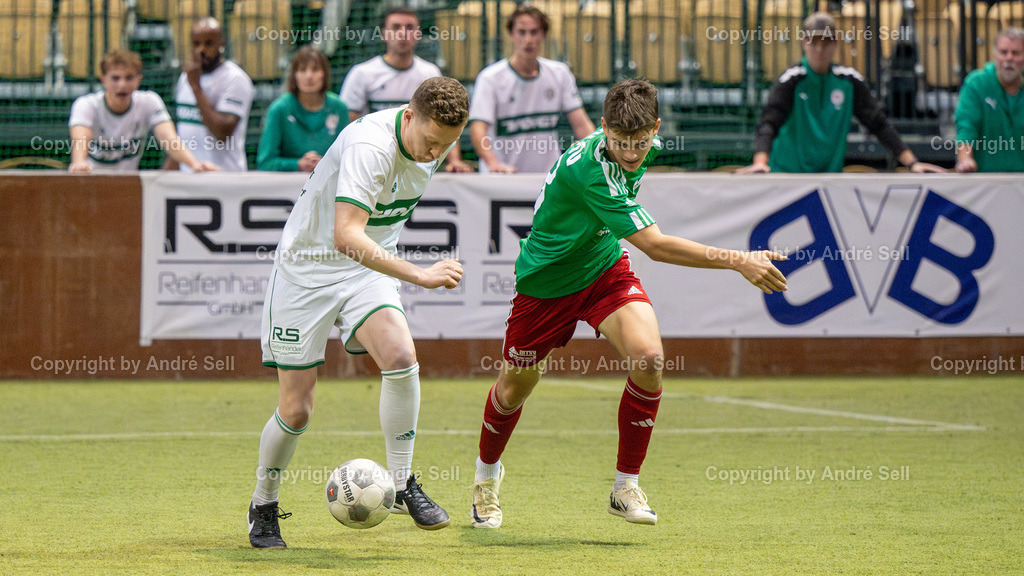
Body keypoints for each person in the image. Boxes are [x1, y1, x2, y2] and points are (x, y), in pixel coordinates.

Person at [468, 79, 789, 529]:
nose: (633, 153)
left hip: (602, 267)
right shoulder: (591, 171)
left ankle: (624, 487)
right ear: (602, 128)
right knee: (512, 389)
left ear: (656, 129)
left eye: (641, 142)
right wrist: (738, 260)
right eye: (621, 143)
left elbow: (637, 228)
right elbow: (656, 247)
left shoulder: (643, 144)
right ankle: (485, 481)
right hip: (545, 282)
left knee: (650, 357)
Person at [248, 76, 470, 548]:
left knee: (400, 356)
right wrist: (421, 275)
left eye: (447, 146)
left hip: (363, 272)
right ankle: (263, 504)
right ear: (408, 117)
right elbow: (346, 236)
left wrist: (436, 148)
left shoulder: (432, 145)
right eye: (430, 142)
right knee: (297, 408)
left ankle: (403, 483)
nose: (435, 154)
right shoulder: (372, 144)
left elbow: (365, 242)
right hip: (305, 273)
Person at [737, 12, 944, 174]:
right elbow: (768, 122)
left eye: (826, 42)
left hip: (829, 178)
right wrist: (760, 162)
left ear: (835, 44)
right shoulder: (791, 80)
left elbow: (878, 123)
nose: (819, 49)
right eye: (813, 42)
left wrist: (912, 162)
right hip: (787, 176)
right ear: (803, 43)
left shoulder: (848, 81)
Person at [340, 6, 472, 172]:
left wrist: (455, 161)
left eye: (409, 27)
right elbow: (349, 124)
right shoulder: (362, 73)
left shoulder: (430, 73)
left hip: (418, 167)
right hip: (374, 163)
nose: (403, 33)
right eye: (396, 27)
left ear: (418, 34)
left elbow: (446, 121)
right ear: (384, 33)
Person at [468, 4, 595, 173]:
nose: (528, 39)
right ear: (511, 35)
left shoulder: (560, 73)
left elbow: (582, 125)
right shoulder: (490, 78)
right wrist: (493, 164)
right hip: (502, 180)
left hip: (547, 180)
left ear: (543, 35)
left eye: (534, 32)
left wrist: (592, 152)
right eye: (522, 32)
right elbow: (478, 129)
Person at [68, 49, 219, 173]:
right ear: (104, 81)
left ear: (138, 80)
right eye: (115, 78)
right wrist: (79, 163)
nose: (122, 84)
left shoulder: (149, 102)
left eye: (129, 78)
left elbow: (170, 140)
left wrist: (194, 165)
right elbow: (80, 141)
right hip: (90, 184)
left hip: (128, 187)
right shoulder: (86, 105)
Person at [165, 17, 254, 172]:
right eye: (196, 44)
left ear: (222, 43)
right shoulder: (185, 78)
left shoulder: (235, 79)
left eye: (209, 43)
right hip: (189, 179)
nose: (202, 50)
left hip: (225, 179)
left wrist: (196, 88)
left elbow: (222, 133)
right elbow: (184, 137)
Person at [257, 46, 349, 172]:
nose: (309, 76)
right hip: (286, 189)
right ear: (294, 75)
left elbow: (348, 159)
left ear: (325, 74)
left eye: (315, 69)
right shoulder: (279, 110)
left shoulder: (339, 108)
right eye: (302, 70)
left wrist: (324, 164)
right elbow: (265, 163)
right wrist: (297, 164)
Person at [955, 27, 1024, 172]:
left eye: (1016, 53)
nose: (1009, 58)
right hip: (987, 182)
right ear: (994, 55)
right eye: (1003, 52)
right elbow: (966, 125)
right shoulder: (976, 83)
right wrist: (965, 159)